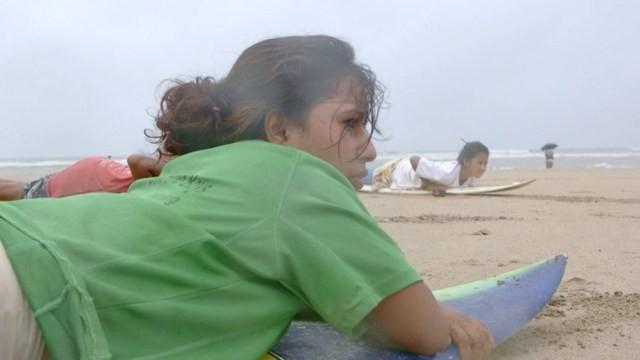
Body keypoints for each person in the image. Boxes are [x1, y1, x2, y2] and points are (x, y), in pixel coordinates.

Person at [0, 35, 494, 360]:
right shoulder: (298, 176)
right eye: (350, 122)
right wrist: (434, 314)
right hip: (31, 296)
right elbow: (423, 332)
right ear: (279, 128)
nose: (368, 145)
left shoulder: (195, 170)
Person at [0, 153, 172, 201]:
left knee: (22, 187)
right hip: (80, 182)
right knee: (16, 191)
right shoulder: (170, 174)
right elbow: (137, 160)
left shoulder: (165, 168)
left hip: (96, 171)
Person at [370, 141, 490, 194]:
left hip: (401, 173)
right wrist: (432, 185)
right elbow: (414, 159)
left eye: (485, 163)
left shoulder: (469, 176)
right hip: (395, 171)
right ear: (467, 162)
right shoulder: (446, 173)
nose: (483, 167)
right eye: (480, 163)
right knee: (359, 176)